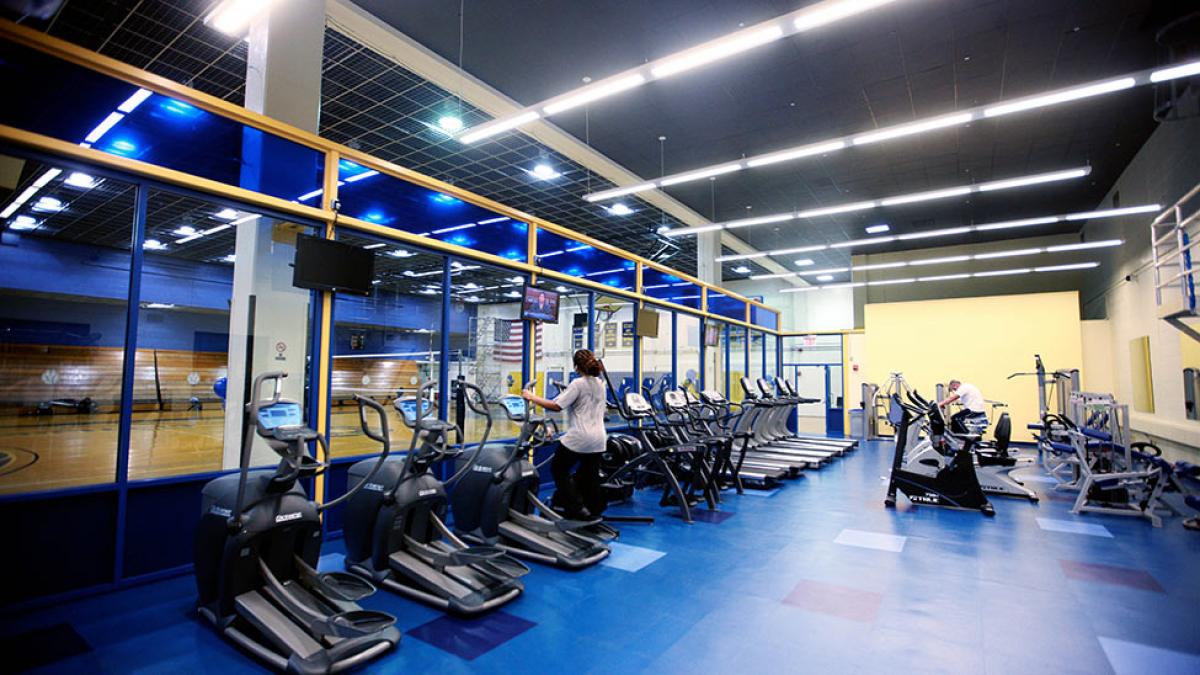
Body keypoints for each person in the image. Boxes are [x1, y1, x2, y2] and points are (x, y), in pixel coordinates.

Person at [522, 349, 608, 519]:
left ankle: (576, 508)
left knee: (559, 469)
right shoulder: (600, 383)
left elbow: (556, 406)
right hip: (599, 439)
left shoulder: (578, 383)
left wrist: (531, 396)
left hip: (580, 438)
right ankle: (593, 510)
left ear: (577, 367)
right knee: (589, 476)